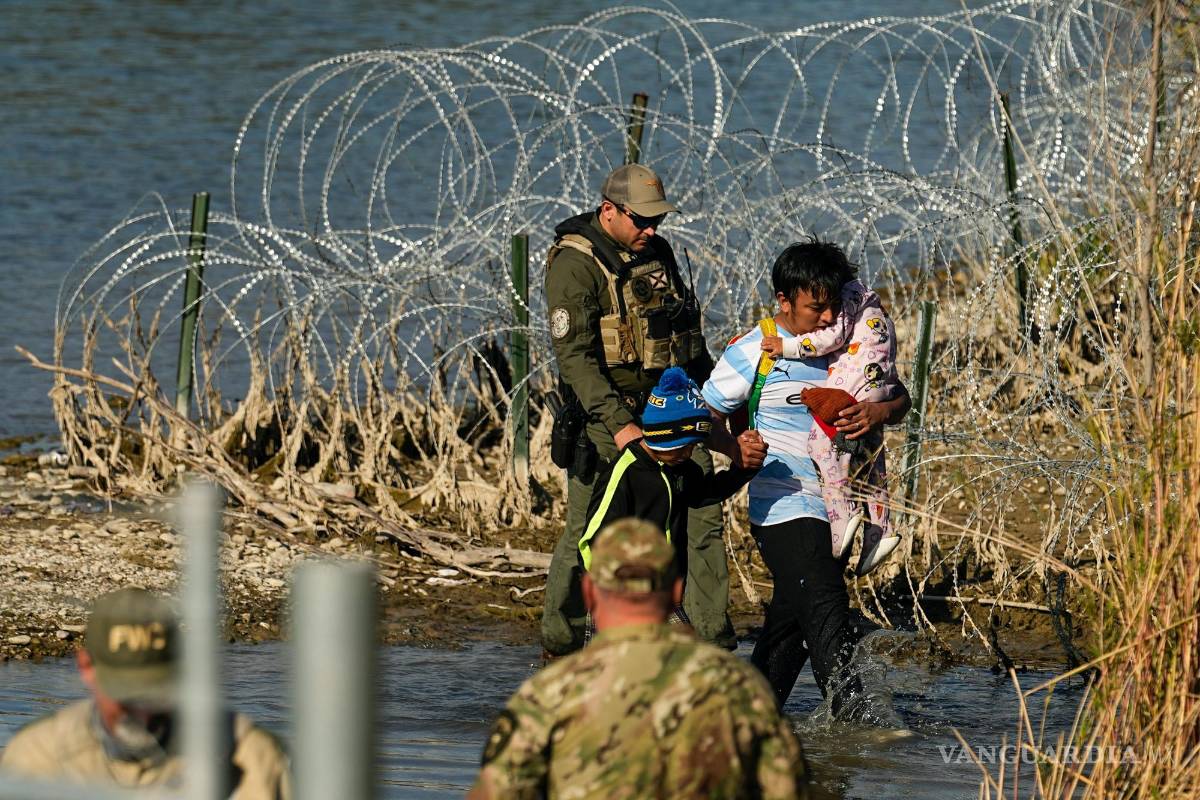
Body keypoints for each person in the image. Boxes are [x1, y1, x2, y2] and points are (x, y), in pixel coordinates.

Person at [541, 163, 767, 656]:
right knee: (590, 527)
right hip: (607, 420)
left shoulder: (656, 252)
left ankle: (709, 639)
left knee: (702, 512)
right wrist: (621, 427)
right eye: (641, 220)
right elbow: (575, 360)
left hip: (675, 410)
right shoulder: (574, 265)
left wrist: (719, 399)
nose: (651, 230)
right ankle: (562, 640)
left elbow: (684, 337)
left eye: (657, 221)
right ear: (608, 211)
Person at [701, 239, 911, 713]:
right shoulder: (755, 348)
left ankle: (747, 717)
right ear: (784, 300)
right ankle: (859, 725)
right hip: (784, 502)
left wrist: (877, 415)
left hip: (840, 507)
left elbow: (899, 398)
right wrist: (733, 448)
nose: (826, 317)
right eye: (815, 307)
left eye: (834, 305)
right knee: (825, 608)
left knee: (791, 623)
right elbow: (701, 416)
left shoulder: (848, 340)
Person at [470, 519, 811, 800]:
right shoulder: (741, 688)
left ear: (589, 593)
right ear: (677, 593)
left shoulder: (548, 694)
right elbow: (788, 789)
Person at [0, 588, 292, 799]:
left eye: (155, 691)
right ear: (87, 667)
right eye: (126, 694)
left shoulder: (253, 758)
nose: (143, 713)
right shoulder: (36, 758)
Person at [577, 366, 763, 636]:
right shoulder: (625, 473)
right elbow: (590, 542)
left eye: (694, 446)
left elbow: (703, 493)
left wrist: (743, 470)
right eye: (685, 446)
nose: (690, 453)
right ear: (664, 437)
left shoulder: (679, 467)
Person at [759, 274, 902, 573]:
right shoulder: (869, 301)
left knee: (822, 443)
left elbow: (830, 338)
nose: (827, 314)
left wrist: (786, 347)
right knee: (869, 458)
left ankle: (843, 513)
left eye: (828, 305)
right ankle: (881, 529)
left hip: (856, 382)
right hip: (878, 382)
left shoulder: (846, 297)